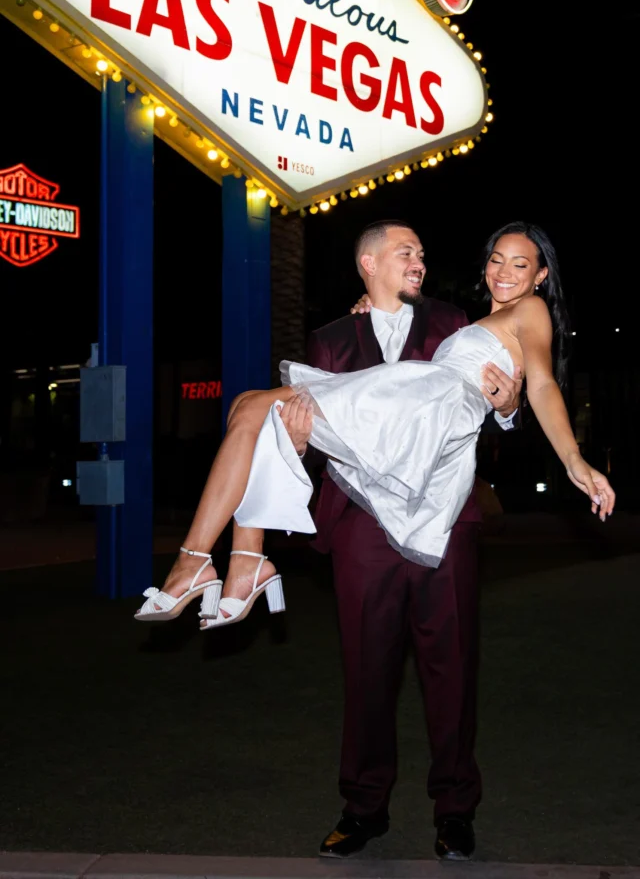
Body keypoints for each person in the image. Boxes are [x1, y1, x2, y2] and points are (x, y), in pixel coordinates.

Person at [135, 220, 615, 859]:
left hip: (435, 495)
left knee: (451, 670)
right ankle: (362, 806)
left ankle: (454, 810)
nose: (501, 272)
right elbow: (308, 443)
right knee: (257, 413)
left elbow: (533, 386)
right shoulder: (337, 333)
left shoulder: (456, 318)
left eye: (519, 264)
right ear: (368, 265)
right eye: (496, 260)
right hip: (364, 512)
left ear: (539, 277)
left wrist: (545, 435)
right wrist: (301, 440)